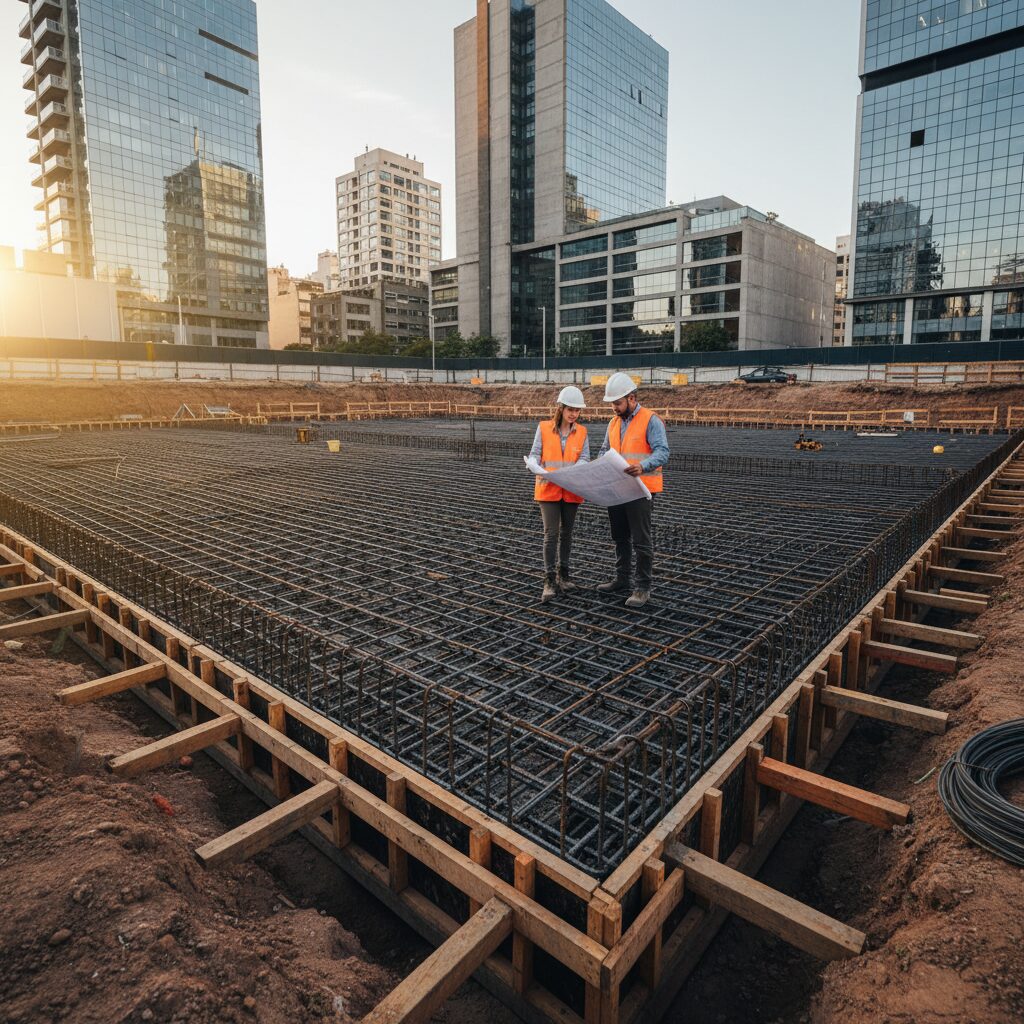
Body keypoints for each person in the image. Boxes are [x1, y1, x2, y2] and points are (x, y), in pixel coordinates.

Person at [596, 372, 670, 609]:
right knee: (620, 537)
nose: (614, 408)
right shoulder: (613, 422)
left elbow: (662, 452)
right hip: (617, 489)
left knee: (641, 539)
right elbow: (605, 450)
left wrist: (643, 466)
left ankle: (642, 587)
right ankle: (622, 579)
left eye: (617, 403)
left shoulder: (651, 420)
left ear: (631, 398)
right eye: (612, 404)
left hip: (640, 489)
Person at [528, 386, 590, 603]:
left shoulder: (582, 432)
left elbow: (584, 458)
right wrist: (533, 465)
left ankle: (564, 576)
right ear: (561, 408)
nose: (574, 414)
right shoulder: (544, 428)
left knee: (567, 534)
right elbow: (535, 454)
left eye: (577, 410)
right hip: (548, 489)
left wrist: (576, 469)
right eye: (570, 409)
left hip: (571, 490)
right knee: (551, 534)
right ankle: (549, 580)